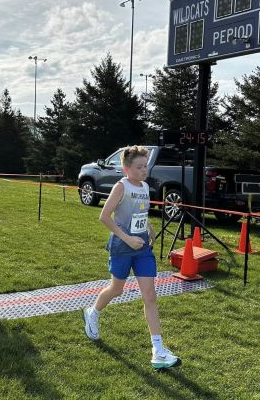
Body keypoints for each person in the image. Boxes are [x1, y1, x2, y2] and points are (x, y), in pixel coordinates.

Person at [82, 145, 180, 370]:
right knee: (117, 289)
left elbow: (140, 210)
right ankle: (93, 312)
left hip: (142, 248)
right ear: (126, 168)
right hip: (122, 246)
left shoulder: (145, 186)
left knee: (150, 296)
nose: (144, 170)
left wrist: (148, 225)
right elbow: (104, 217)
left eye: (146, 166)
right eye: (139, 167)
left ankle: (158, 351)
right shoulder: (120, 187)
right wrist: (127, 238)